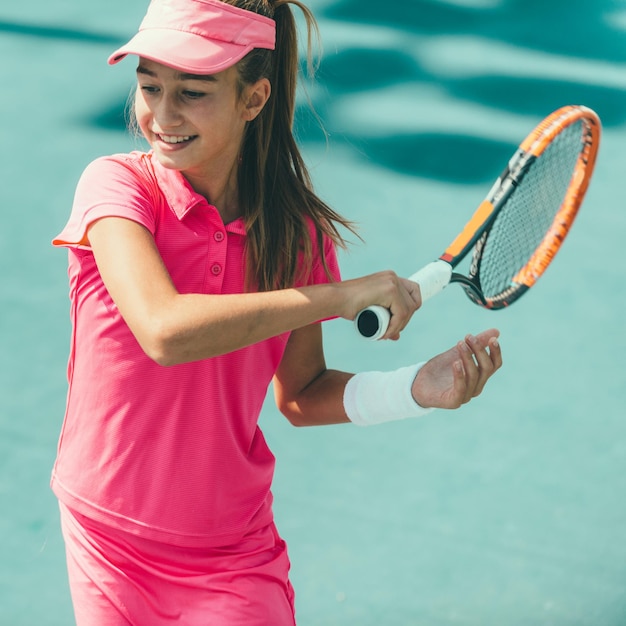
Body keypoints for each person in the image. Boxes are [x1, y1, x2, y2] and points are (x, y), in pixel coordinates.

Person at [51, 0, 503, 623]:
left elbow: (302, 394)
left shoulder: (297, 238)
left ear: (254, 99)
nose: (162, 113)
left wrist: (414, 389)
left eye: (193, 91)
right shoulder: (116, 188)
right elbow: (163, 330)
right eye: (149, 85)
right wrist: (339, 297)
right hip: (108, 540)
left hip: (231, 552)